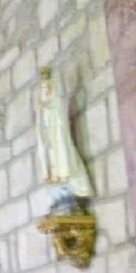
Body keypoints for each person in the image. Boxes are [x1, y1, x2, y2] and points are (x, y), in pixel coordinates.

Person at [36, 66, 93, 211]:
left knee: (64, 156)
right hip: (49, 142)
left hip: (57, 138)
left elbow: (58, 117)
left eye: (47, 87)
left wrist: (46, 107)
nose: (46, 91)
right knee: (53, 162)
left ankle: (68, 184)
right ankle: (60, 187)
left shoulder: (55, 102)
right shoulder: (43, 105)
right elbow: (42, 125)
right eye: (43, 89)